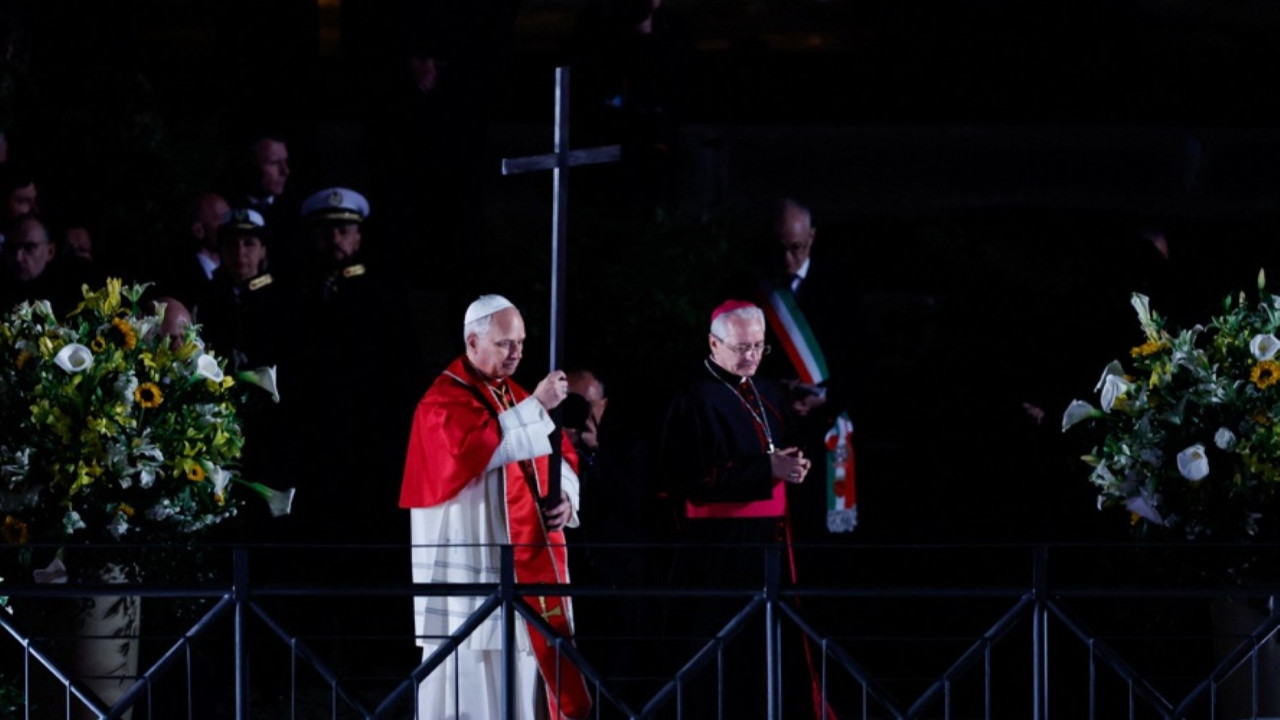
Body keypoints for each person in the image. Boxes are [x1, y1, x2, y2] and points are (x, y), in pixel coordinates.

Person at [399, 294, 592, 720]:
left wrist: (565, 498)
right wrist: (537, 407)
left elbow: (560, 455)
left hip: (522, 567)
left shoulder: (516, 394)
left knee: (524, 665)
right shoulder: (442, 400)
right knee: (472, 665)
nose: (517, 352)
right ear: (473, 342)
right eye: (505, 343)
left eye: (520, 342)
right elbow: (479, 452)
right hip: (473, 568)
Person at [660, 299, 818, 719]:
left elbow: (779, 450)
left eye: (758, 346)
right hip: (718, 551)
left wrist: (794, 466)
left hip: (771, 545)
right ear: (714, 344)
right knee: (720, 655)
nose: (751, 356)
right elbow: (688, 478)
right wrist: (767, 469)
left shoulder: (767, 393)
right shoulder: (694, 399)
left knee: (769, 654)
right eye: (741, 347)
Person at [751, 198, 861, 538]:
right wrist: (778, 393)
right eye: (780, 248)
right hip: (776, 428)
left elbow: (859, 359)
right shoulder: (754, 289)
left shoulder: (840, 288)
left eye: (796, 248)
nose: (787, 259)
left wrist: (826, 398)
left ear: (812, 237)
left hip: (830, 429)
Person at [152, 191, 228, 316]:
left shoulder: (233, 270)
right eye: (222, 218)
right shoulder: (177, 275)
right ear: (198, 230)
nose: (230, 225)